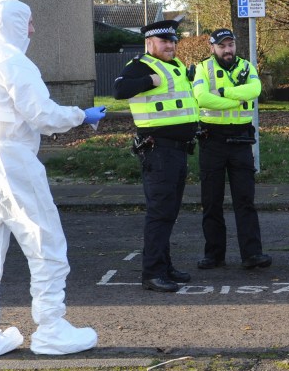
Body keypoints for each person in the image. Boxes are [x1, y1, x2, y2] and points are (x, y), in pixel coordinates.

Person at [0, 0, 105, 359]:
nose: (33, 30)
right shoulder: (14, 62)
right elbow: (42, 115)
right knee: (46, 242)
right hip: (12, 157)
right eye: (29, 22)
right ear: (15, 24)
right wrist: (80, 115)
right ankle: (52, 327)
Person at [113, 18, 199, 292]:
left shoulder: (175, 66)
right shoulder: (141, 66)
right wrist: (150, 80)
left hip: (177, 151)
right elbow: (119, 89)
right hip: (158, 151)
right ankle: (152, 273)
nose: (171, 45)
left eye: (173, 41)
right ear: (149, 43)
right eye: (165, 41)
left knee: (169, 213)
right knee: (160, 213)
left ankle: (164, 266)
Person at [193, 28, 271, 270]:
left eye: (231, 45)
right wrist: (237, 99)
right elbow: (202, 98)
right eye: (222, 46)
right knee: (211, 201)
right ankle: (214, 255)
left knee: (245, 200)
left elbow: (254, 91)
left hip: (240, 141)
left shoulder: (247, 66)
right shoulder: (202, 68)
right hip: (212, 140)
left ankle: (252, 254)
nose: (227, 50)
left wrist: (224, 93)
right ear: (212, 47)